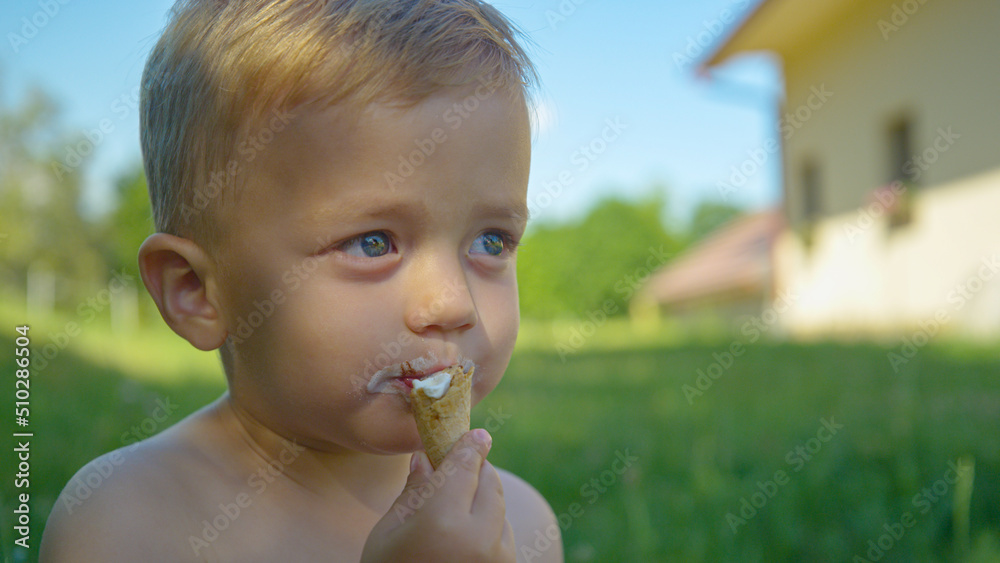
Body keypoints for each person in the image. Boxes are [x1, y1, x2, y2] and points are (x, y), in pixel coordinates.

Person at [39, 0, 561, 561]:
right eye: (373, 243)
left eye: (490, 242)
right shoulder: (125, 520)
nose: (453, 303)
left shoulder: (523, 524)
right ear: (195, 290)